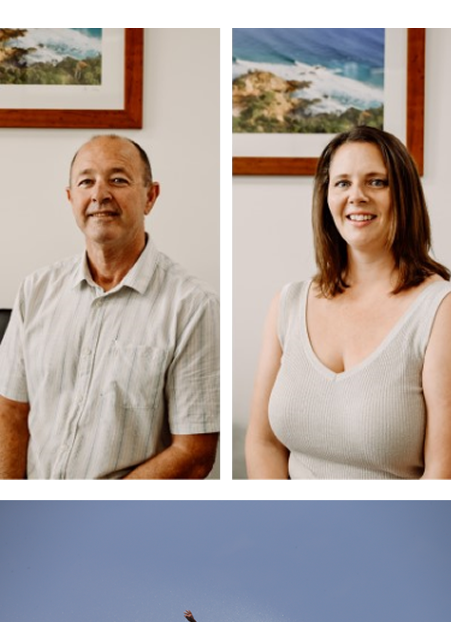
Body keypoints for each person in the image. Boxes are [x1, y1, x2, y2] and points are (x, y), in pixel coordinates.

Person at [0, 135, 220, 479]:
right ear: (71, 197)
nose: (100, 195)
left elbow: (194, 454)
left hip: (120, 522)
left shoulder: (193, 306)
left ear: (151, 196)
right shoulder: (35, 291)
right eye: (86, 181)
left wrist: (93, 517)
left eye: (118, 179)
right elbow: (9, 412)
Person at [245, 125, 451, 480]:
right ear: (326, 197)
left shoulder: (439, 310)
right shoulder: (289, 303)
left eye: (376, 182)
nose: (356, 196)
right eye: (342, 183)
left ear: (404, 195)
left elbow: (442, 471)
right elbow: (263, 443)